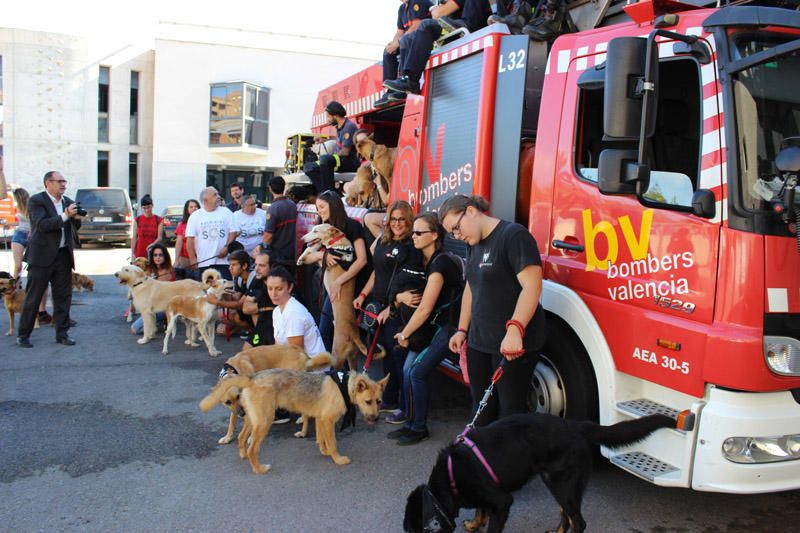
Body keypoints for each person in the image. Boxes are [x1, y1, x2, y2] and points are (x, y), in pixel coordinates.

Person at [440, 194, 546, 426]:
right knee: (481, 410)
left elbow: (532, 286)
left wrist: (515, 329)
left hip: (512, 346)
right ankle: (485, 460)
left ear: (470, 211)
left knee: (510, 415)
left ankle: (514, 462)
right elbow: (471, 287)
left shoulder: (514, 236)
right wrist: (462, 329)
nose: (457, 236)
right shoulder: (473, 244)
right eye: (452, 233)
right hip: (480, 341)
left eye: (456, 228)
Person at [390, 213, 464, 444]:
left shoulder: (439, 264)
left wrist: (405, 333)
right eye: (414, 232)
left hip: (450, 327)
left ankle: (418, 427)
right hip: (435, 326)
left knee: (417, 372)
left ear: (434, 236)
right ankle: (411, 421)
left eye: (419, 233)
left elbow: (424, 309)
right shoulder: (427, 260)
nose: (413, 236)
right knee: (408, 369)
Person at [352, 200, 422, 419]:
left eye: (402, 219)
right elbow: (378, 274)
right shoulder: (383, 241)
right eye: (394, 219)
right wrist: (363, 294)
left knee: (398, 358)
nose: (398, 223)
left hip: (397, 311)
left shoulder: (412, 247)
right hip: (379, 306)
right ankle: (389, 399)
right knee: (388, 357)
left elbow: (410, 286)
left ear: (409, 221)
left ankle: (403, 406)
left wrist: (391, 307)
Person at [17, 171, 83, 348]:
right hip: (41, 257)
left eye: (64, 181)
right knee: (33, 297)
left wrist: (76, 218)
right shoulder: (37, 201)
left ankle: (62, 334)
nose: (63, 184)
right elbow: (42, 225)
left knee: (63, 298)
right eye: (59, 181)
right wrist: (65, 215)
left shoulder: (67, 202)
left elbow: (74, 226)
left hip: (62, 255)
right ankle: (23, 334)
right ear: (48, 183)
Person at [383, 0, 492, 96]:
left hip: (472, 28)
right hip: (455, 29)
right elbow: (437, 13)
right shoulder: (401, 9)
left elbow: (438, 13)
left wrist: (439, 9)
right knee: (416, 33)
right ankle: (409, 80)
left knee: (425, 23)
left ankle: (409, 81)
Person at [306, 191, 369, 352]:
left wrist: (339, 282)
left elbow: (362, 259)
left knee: (331, 332)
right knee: (335, 334)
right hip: (329, 286)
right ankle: (341, 373)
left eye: (322, 207)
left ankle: (336, 372)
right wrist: (322, 255)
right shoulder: (320, 228)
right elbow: (306, 258)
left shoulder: (352, 225)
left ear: (333, 206)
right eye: (317, 207)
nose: (319, 211)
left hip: (347, 287)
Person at [374, 0, 433, 108]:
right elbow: (399, 32)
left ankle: (403, 87)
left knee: (404, 42)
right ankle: (391, 90)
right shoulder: (402, 9)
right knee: (387, 51)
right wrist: (393, 43)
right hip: (407, 39)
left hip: (422, 41)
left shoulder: (418, 2)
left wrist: (398, 42)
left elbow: (416, 25)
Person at [11, 188, 52, 325]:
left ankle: (41, 311)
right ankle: (13, 289)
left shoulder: (32, 205)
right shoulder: (17, 206)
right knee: (17, 266)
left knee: (37, 272)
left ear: (19, 197)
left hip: (33, 236)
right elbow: (20, 223)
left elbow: (38, 221)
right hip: (19, 234)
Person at [267, 266, 327, 357]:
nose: (273, 294)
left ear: (290, 287)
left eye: (279, 289)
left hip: (312, 366)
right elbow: (278, 347)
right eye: (270, 288)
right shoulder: (276, 311)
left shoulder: (293, 313)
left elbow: (296, 355)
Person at [303, 101, 360, 194]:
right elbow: (340, 140)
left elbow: (346, 151)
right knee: (308, 167)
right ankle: (327, 192)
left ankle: (330, 194)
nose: (327, 120)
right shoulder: (340, 127)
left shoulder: (349, 127)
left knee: (325, 160)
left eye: (328, 116)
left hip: (349, 162)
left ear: (335, 116)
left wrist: (331, 157)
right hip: (339, 161)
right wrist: (325, 140)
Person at [186, 186, 234, 280]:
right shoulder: (195, 216)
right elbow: (190, 239)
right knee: (206, 292)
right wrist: (192, 259)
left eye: (218, 194)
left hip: (223, 262)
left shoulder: (226, 212)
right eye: (215, 195)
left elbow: (233, 232)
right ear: (205, 200)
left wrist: (227, 247)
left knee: (225, 290)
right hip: (204, 262)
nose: (218, 197)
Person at [206, 249, 255, 339]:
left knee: (237, 316)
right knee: (222, 329)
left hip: (261, 313)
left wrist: (216, 302)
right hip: (247, 310)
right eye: (230, 265)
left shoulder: (254, 278)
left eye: (234, 265)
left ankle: (254, 331)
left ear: (244, 266)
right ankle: (245, 328)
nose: (230, 268)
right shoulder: (238, 278)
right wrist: (222, 292)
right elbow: (236, 299)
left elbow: (239, 305)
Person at [130, 242, 175, 335]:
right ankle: (158, 323)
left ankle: (160, 322)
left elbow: (158, 294)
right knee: (134, 328)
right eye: (155, 255)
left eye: (160, 255)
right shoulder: (152, 271)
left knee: (135, 329)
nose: (158, 257)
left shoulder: (166, 271)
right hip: (152, 305)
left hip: (162, 306)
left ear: (165, 256)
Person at [255, 176, 297, 269]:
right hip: (292, 253)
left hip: (278, 256)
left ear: (270, 188)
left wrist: (262, 251)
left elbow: (268, 236)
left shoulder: (273, 208)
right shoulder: (292, 205)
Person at [242, 251, 275, 349]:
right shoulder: (257, 280)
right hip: (262, 327)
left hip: (278, 328)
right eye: (255, 265)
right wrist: (264, 306)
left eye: (261, 265)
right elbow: (246, 308)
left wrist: (257, 306)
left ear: (272, 266)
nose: (256, 269)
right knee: (244, 355)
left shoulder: (281, 280)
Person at [131, 194, 164, 260]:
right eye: (144, 208)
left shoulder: (159, 220)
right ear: (141, 208)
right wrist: (132, 254)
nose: (146, 210)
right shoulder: (137, 220)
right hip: (139, 252)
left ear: (152, 206)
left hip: (153, 251)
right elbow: (134, 237)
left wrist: (152, 244)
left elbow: (159, 237)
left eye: (148, 207)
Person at [174, 199, 200, 269]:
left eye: (196, 206)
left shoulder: (202, 222)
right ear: (187, 210)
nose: (194, 208)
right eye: (191, 207)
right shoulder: (182, 224)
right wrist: (176, 260)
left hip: (200, 258)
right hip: (184, 258)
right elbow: (179, 243)